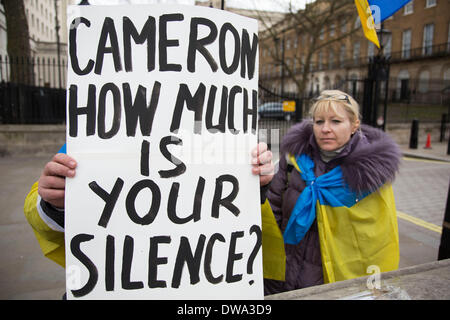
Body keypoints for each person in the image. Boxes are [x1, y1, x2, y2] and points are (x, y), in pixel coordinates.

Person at [23, 142, 277, 269]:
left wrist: (255, 182)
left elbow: (247, 221)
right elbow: (40, 216)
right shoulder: (93, 137)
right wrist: (56, 203)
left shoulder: (222, 137)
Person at [263, 90, 401, 295]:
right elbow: (271, 211)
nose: (325, 129)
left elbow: (376, 241)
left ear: (354, 125)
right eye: (319, 122)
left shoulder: (369, 174)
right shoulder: (293, 160)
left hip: (335, 282)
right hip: (283, 271)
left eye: (336, 121)